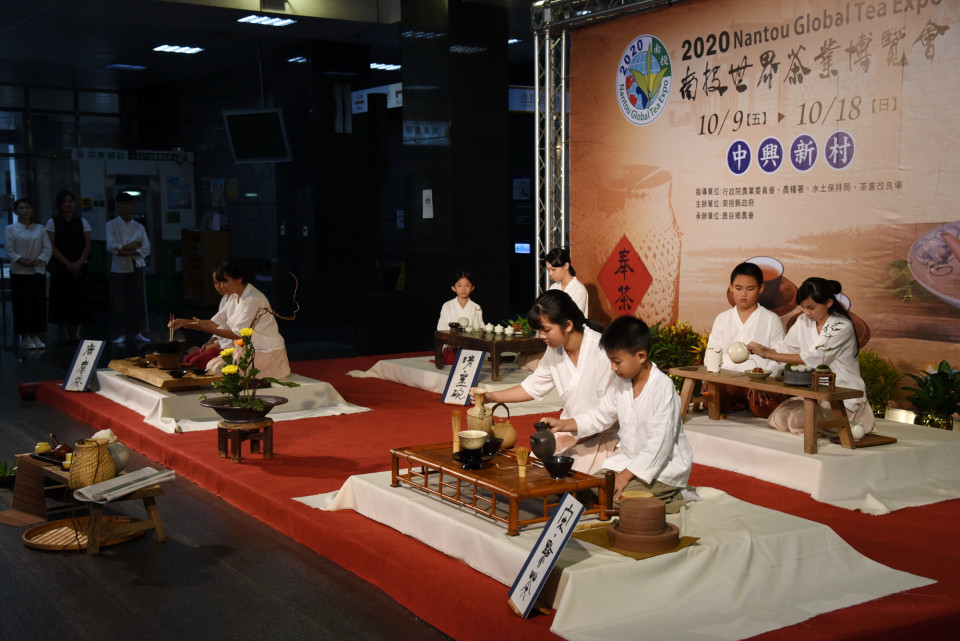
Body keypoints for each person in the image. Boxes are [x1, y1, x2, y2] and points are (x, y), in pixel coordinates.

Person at [540, 316, 693, 512]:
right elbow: (600, 415)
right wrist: (563, 425)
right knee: (586, 489)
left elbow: (660, 445)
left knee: (608, 499)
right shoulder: (622, 381)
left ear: (641, 356)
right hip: (629, 462)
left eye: (617, 361)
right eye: (611, 361)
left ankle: (676, 495)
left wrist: (625, 476)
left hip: (663, 469)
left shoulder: (662, 387)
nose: (613, 367)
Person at [470, 289, 618, 474]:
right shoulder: (555, 350)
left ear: (568, 325)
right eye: (539, 330)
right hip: (567, 429)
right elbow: (533, 387)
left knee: (571, 477)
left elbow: (608, 413)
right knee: (533, 469)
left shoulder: (601, 350)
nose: (541, 336)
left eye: (546, 330)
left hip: (602, 433)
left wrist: (573, 439)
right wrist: (491, 396)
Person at [747, 277, 874, 435]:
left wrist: (768, 354)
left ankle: (833, 426)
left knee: (797, 420)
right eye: (803, 307)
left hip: (841, 397)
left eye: (811, 308)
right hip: (814, 395)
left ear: (828, 303)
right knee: (777, 417)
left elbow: (814, 357)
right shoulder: (802, 320)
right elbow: (785, 349)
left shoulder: (841, 326)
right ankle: (816, 428)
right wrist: (765, 377)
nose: (807, 312)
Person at [169, 259, 290, 380]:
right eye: (218, 282)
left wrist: (205, 328)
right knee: (211, 366)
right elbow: (214, 322)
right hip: (246, 349)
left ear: (239, 279)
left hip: (264, 352)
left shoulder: (253, 299)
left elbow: (237, 334)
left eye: (224, 281)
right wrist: (185, 322)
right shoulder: (234, 296)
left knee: (216, 369)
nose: (220, 286)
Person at [706, 262, 785, 416]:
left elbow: (779, 357)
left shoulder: (771, 319)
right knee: (711, 400)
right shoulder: (722, 318)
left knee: (764, 406)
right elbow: (712, 352)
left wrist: (763, 382)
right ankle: (738, 403)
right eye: (738, 288)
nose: (743, 294)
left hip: (758, 382)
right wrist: (708, 379)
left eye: (750, 289)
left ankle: (745, 402)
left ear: (761, 288)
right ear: (730, 287)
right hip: (728, 380)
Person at [5, 198, 52, 349]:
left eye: (27, 207)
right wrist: (22, 260)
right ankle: (25, 336)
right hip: (19, 272)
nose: (24, 210)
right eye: (21, 208)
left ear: (32, 210)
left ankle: (36, 335)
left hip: (37, 270)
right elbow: (10, 250)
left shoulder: (40, 228)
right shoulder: (11, 229)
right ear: (16, 211)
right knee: (22, 304)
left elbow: (47, 248)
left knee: (38, 303)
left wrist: (38, 260)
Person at [46, 189, 92, 343]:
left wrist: (78, 263)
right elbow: (52, 246)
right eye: (64, 201)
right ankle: (64, 332)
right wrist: (68, 264)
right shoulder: (52, 222)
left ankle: (77, 332)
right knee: (61, 300)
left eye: (70, 201)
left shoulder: (82, 222)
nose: (68, 204)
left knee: (80, 299)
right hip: (61, 267)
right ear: (59, 205)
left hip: (80, 266)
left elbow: (87, 245)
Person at [106, 192, 151, 344]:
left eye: (128, 203)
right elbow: (112, 247)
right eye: (122, 203)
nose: (125, 206)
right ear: (118, 206)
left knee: (137, 300)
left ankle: (138, 331)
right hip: (118, 267)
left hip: (136, 266)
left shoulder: (139, 227)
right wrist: (132, 247)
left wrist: (124, 250)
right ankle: (122, 333)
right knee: (120, 301)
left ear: (132, 206)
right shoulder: (111, 225)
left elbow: (145, 248)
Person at [181, 271, 234, 370]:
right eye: (215, 283)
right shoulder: (225, 299)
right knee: (187, 358)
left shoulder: (239, 300)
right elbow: (215, 323)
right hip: (219, 343)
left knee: (194, 362)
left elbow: (235, 333)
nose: (219, 286)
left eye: (222, 282)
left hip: (228, 347)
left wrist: (215, 344)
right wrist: (211, 341)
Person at [544, 247, 588, 316]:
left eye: (553, 269)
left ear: (566, 266)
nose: (550, 274)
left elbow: (575, 318)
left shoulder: (579, 290)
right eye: (548, 270)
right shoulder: (553, 287)